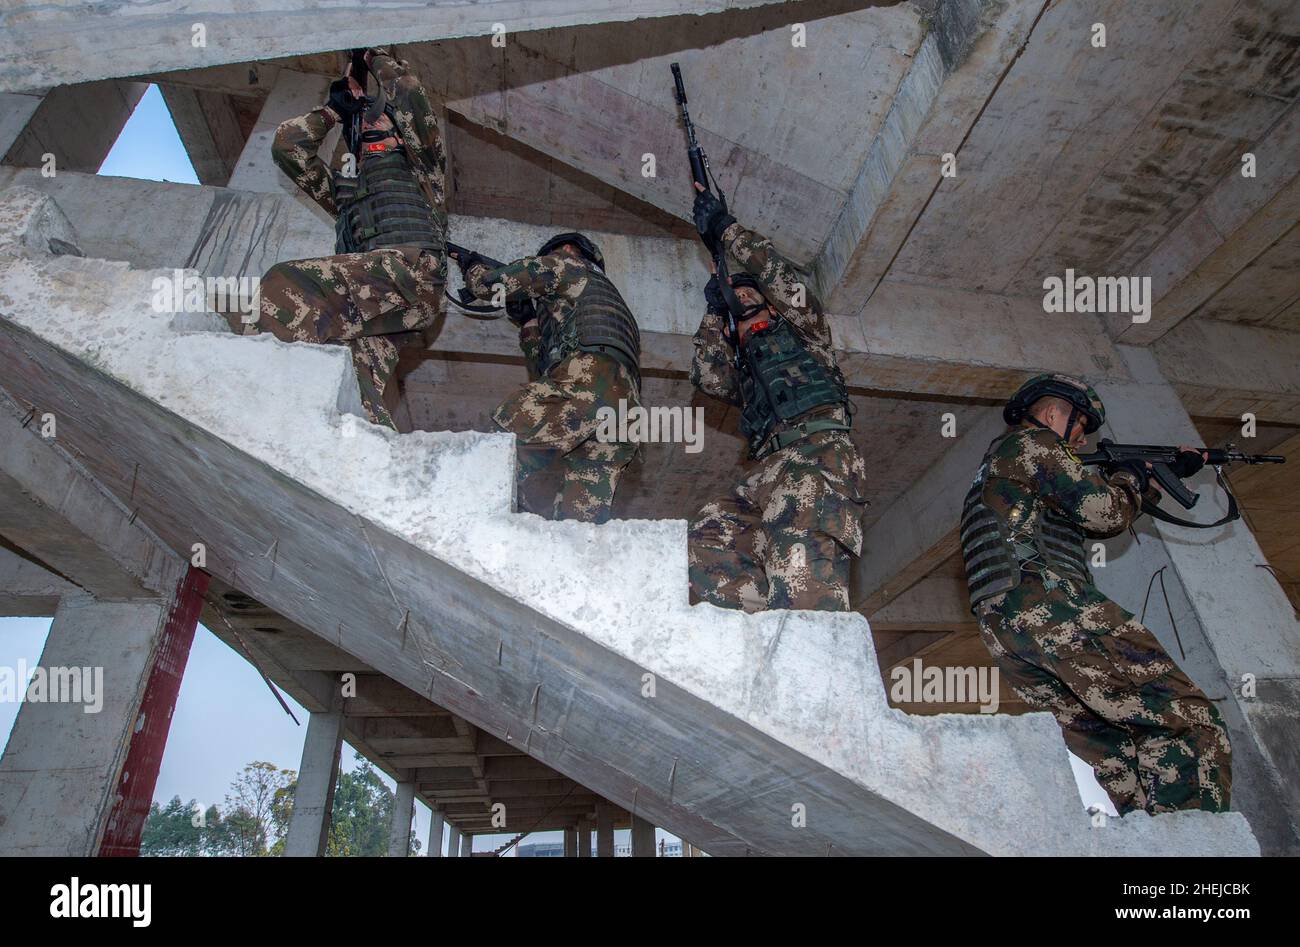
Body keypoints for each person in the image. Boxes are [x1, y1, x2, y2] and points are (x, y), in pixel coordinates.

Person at [962, 373, 1232, 814]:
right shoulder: (1036, 445)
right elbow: (1104, 514)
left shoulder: (997, 463)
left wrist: (1143, 477)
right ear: (1052, 415)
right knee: (1189, 719)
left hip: (1006, 632)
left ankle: (1150, 837)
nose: (1083, 441)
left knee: (1116, 750)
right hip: (1048, 606)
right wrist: (1132, 481)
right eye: (1080, 426)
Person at [233, 47, 447, 430]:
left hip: (413, 274)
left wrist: (371, 58)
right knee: (351, 385)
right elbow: (288, 147)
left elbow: (410, 93)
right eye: (361, 122)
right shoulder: (347, 194)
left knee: (286, 285)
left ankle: (249, 394)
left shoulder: (421, 169)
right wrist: (333, 111)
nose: (365, 124)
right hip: (380, 312)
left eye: (375, 117)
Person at [686, 185, 868, 611]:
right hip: (767, 472)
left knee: (802, 569)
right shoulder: (745, 374)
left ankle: (806, 638)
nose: (745, 299)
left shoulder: (807, 335)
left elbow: (780, 278)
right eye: (737, 299)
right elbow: (708, 376)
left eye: (753, 295)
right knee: (708, 537)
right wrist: (715, 314)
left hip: (818, 455)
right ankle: (767, 624)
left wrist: (725, 230)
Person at [457, 233, 641, 523]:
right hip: (623, 410)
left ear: (568, 249)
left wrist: (473, 268)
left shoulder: (567, 263)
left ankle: (465, 515)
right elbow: (550, 368)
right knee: (579, 520)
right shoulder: (601, 303)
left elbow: (488, 287)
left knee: (499, 449)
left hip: (588, 379)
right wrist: (529, 324)